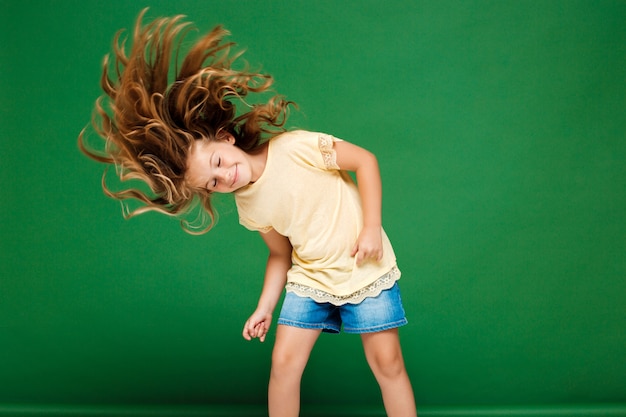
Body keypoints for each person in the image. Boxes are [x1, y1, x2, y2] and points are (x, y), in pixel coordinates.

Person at [79, 9, 417, 417]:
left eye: (219, 163)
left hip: (365, 269)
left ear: (226, 138)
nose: (225, 177)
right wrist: (264, 307)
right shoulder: (248, 204)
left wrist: (372, 227)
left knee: (387, 364)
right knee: (283, 366)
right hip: (310, 279)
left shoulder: (296, 147)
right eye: (214, 184)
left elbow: (365, 161)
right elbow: (280, 254)